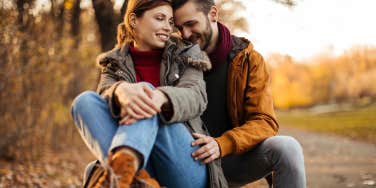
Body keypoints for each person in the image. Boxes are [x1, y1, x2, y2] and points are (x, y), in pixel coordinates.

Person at [71, 0, 228, 187]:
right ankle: (132, 178)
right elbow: (104, 95)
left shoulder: (186, 53)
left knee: (144, 91)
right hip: (146, 165)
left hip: (186, 163)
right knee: (84, 101)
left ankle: (121, 172)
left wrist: (161, 97)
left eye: (170, 22)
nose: (168, 28)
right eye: (160, 19)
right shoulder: (114, 63)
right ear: (134, 20)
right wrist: (120, 91)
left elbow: (196, 96)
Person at [171, 0, 307, 187]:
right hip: (187, 163)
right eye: (179, 27)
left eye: (191, 24)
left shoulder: (248, 59)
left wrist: (221, 144)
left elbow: (264, 121)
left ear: (213, 14)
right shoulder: (171, 59)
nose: (185, 34)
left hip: (231, 160)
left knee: (287, 148)